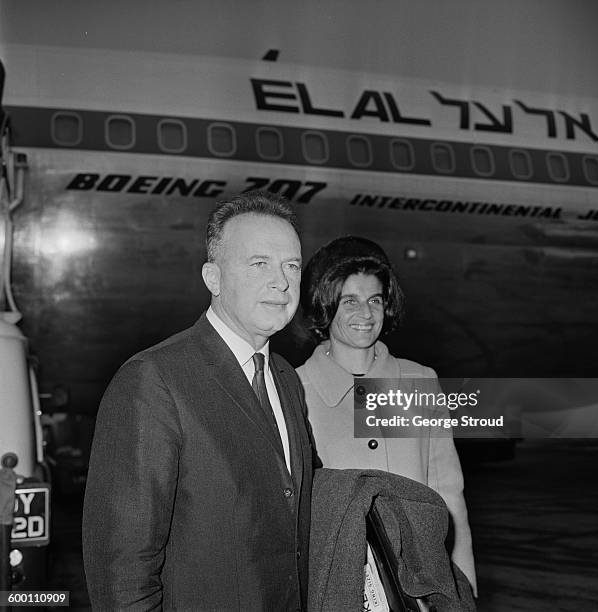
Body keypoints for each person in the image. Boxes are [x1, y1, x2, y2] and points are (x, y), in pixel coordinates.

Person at [83, 191, 314, 611]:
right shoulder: (153, 380)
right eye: (259, 263)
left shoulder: (286, 380)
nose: (281, 281)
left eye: (291, 266)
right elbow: (123, 568)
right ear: (213, 277)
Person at [296, 236, 477, 596]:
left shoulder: (419, 381)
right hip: (337, 586)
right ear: (325, 305)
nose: (365, 314)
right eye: (350, 301)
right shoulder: (294, 389)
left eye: (375, 300)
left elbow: (448, 494)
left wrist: (461, 587)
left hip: (421, 586)